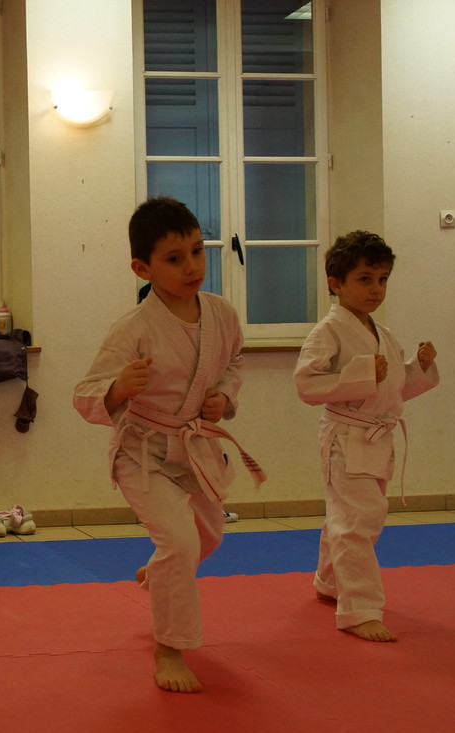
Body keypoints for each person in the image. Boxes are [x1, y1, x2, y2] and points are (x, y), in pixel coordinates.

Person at [73, 196, 264, 693]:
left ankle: (161, 576)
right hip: (143, 453)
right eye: (175, 259)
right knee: (179, 544)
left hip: (194, 447)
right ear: (143, 268)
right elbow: (84, 393)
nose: (192, 267)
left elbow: (235, 362)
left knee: (208, 538)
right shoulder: (133, 328)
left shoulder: (222, 314)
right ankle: (170, 649)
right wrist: (118, 388)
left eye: (198, 251)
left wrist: (224, 395)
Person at [294, 231, 438, 642]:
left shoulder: (383, 333)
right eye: (365, 279)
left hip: (377, 435)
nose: (376, 288)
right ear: (335, 283)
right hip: (346, 435)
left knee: (352, 516)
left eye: (382, 279)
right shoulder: (327, 331)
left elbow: (392, 390)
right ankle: (359, 608)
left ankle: (329, 581)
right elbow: (307, 384)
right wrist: (361, 374)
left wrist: (417, 368)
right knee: (357, 520)